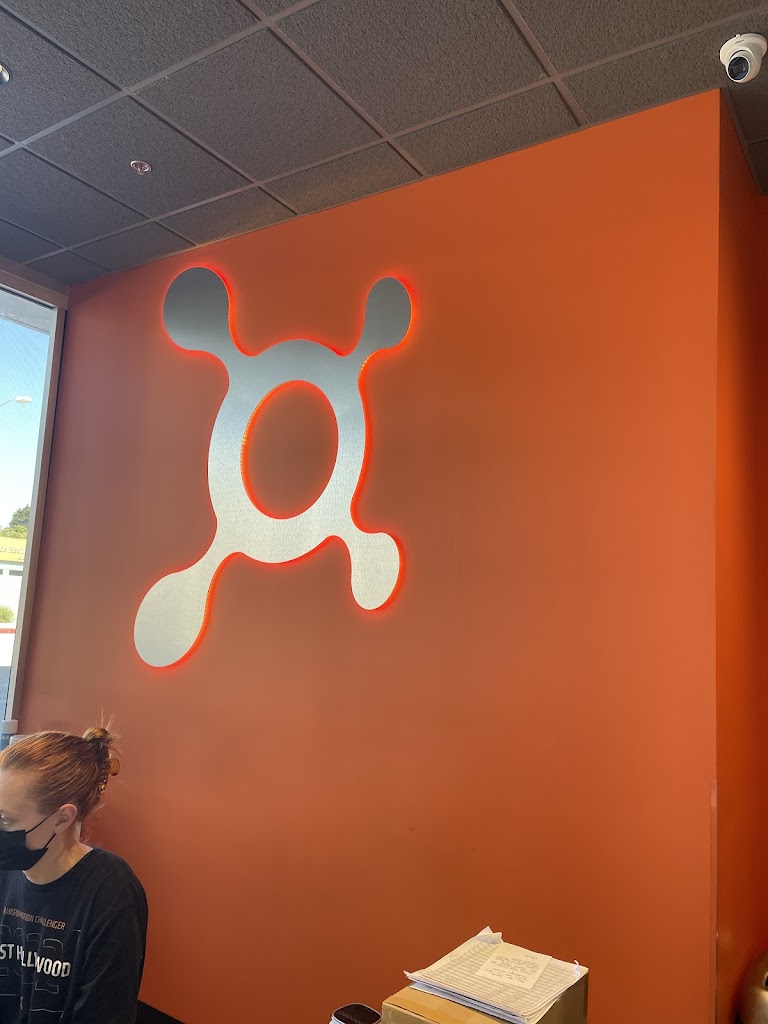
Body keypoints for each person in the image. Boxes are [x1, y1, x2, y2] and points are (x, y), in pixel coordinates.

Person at [0, 727, 147, 1023]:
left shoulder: (110, 891)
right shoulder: (6, 872)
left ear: (62, 818)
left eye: (6, 819)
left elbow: (105, 1012)